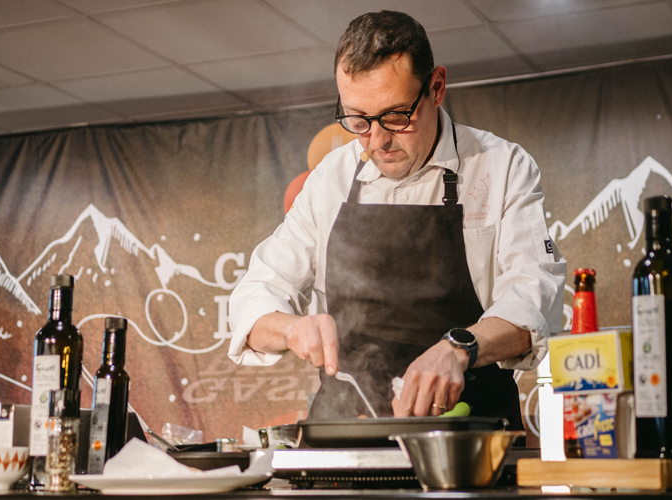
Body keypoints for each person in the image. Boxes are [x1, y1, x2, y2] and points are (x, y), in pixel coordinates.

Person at [226, 10, 566, 427]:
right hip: (347, 429)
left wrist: (458, 348)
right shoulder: (331, 179)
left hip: (470, 434)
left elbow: (533, 299)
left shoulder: (500, 167)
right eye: (358, 119)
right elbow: (256, 296)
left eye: (396, 116)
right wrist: (292, 329)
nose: (378, 139)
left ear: (436, 87)